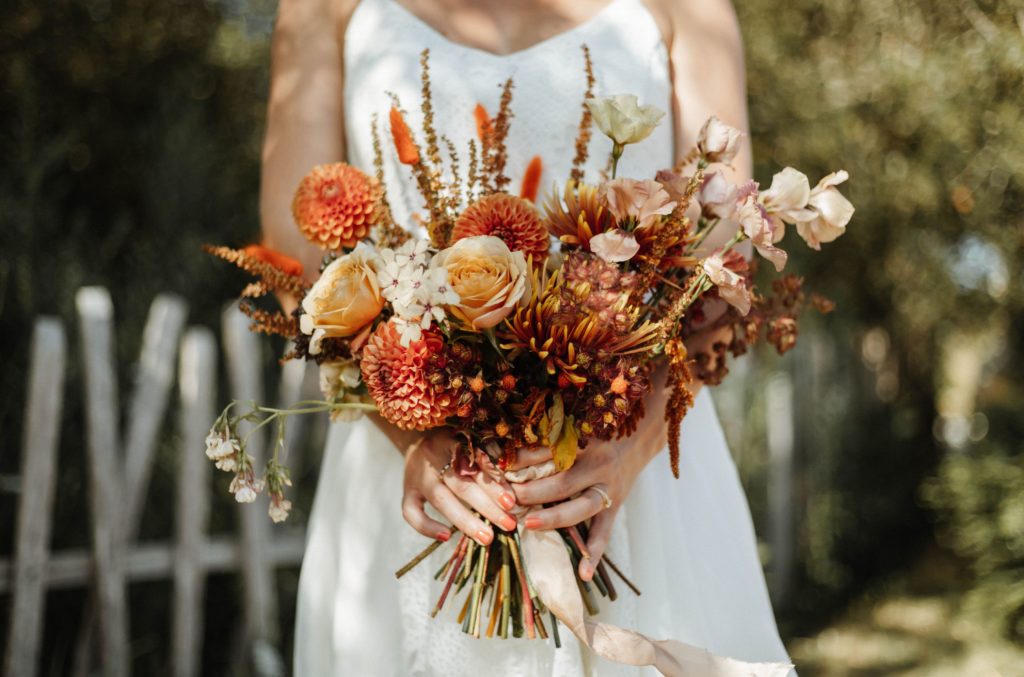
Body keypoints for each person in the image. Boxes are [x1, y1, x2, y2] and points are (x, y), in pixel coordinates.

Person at [261, 0, 794, 673]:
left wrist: (629, 448)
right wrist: (416, 426)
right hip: (409, 475)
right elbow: (293, 254)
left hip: (635, 459)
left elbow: (729, 249)